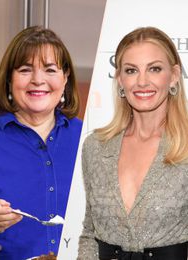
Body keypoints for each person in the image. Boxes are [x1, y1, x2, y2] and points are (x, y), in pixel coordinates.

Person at [78, 27, 188, 260]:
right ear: (119, 79)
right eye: (131, 70)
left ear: (174, 75)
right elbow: (90, 232)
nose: (142, 81)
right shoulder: (95, 147)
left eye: (154, 69)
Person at [0, 26, 83, 259]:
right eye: (25, 70)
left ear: (65, 78)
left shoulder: (88, 138)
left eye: (50, 69)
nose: (38, 80)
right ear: (9, 79)